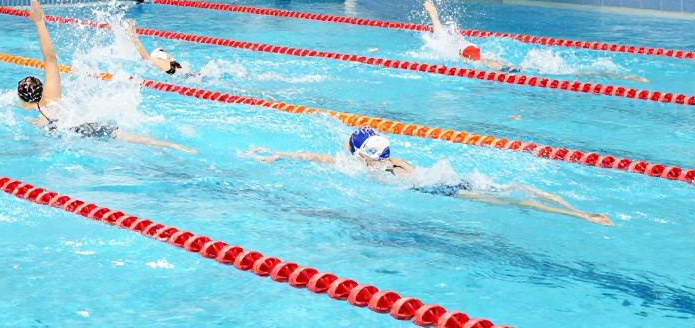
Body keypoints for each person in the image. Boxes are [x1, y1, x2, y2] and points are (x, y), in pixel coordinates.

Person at [252, 127, 612, 225]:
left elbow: (318, 158)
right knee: (517, 188)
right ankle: (580, 211)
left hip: (439, 190)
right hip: (447, 179)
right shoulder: (395, 160)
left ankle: (583, 217)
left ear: (361, 154)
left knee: (513, 203)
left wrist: (278, 155)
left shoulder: (363, 167)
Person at [13, 0, 195, 152]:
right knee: (125, 136)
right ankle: (171, 145)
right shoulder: (52, 96)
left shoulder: (36, 117)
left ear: (23, 100)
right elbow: (50, 58)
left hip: (70, 131)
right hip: (86, 122)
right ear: (42, 88)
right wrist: (39, 22)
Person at [423, 0, 648, 82]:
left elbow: (437, 27)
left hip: (474, 57)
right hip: (476, 54)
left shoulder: (441, 42)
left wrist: (432, 12)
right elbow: (440, 27)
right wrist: (433, 11)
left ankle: (610, 75)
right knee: (529, 68)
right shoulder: (451, 39)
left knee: (522, 69)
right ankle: (613, 74)